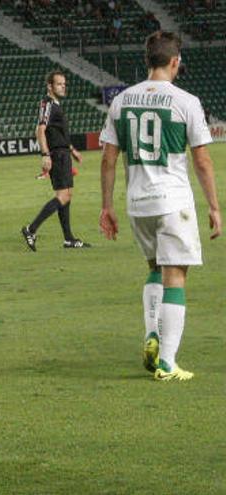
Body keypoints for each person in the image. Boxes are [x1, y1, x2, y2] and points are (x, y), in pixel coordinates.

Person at [99, 31, 221, 381]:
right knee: (176, 276)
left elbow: (108, 160)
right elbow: (202, 161)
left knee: (154, 267)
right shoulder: (185, 101)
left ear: (147, 60)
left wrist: (106, 206)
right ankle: (167, 362)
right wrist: (214, 206)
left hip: (138, 203)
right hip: (173, 201)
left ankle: (152, 331)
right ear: (174, 62)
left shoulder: (122, 100)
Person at [21, 70, 90, 250]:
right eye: (59, 84)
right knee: (62, 196)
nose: (63, 86)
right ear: (50, 86)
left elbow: (58, 134)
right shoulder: (48, 103)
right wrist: (45, 154)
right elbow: (40, 130)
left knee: (67, 196)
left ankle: (68, 239)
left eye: (64, 84)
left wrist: (72, 150)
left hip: (63, 153)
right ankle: (31, 229)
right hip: (57, 156)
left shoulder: (55, 104)